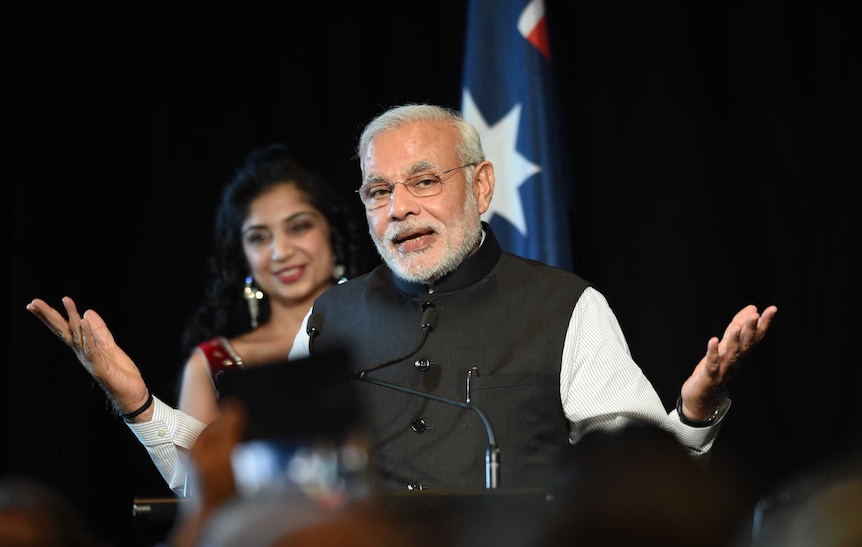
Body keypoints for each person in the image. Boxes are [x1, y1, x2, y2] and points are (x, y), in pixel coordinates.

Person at [26, 103, 778, 495]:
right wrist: (140, 408)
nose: (399, 208)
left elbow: (648, 498)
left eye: (425, 180)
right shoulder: (330, 318)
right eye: (379, 191)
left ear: (481, 186)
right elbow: (252, 483)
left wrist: (697, 414)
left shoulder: (568, 306)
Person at [174, 143, 367, 428]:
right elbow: (193, 473)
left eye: (299, 227)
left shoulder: (391, 326)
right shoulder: (211, 365)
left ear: (333, 233)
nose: (281, 252)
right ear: (243, 257)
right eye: (259, 238)